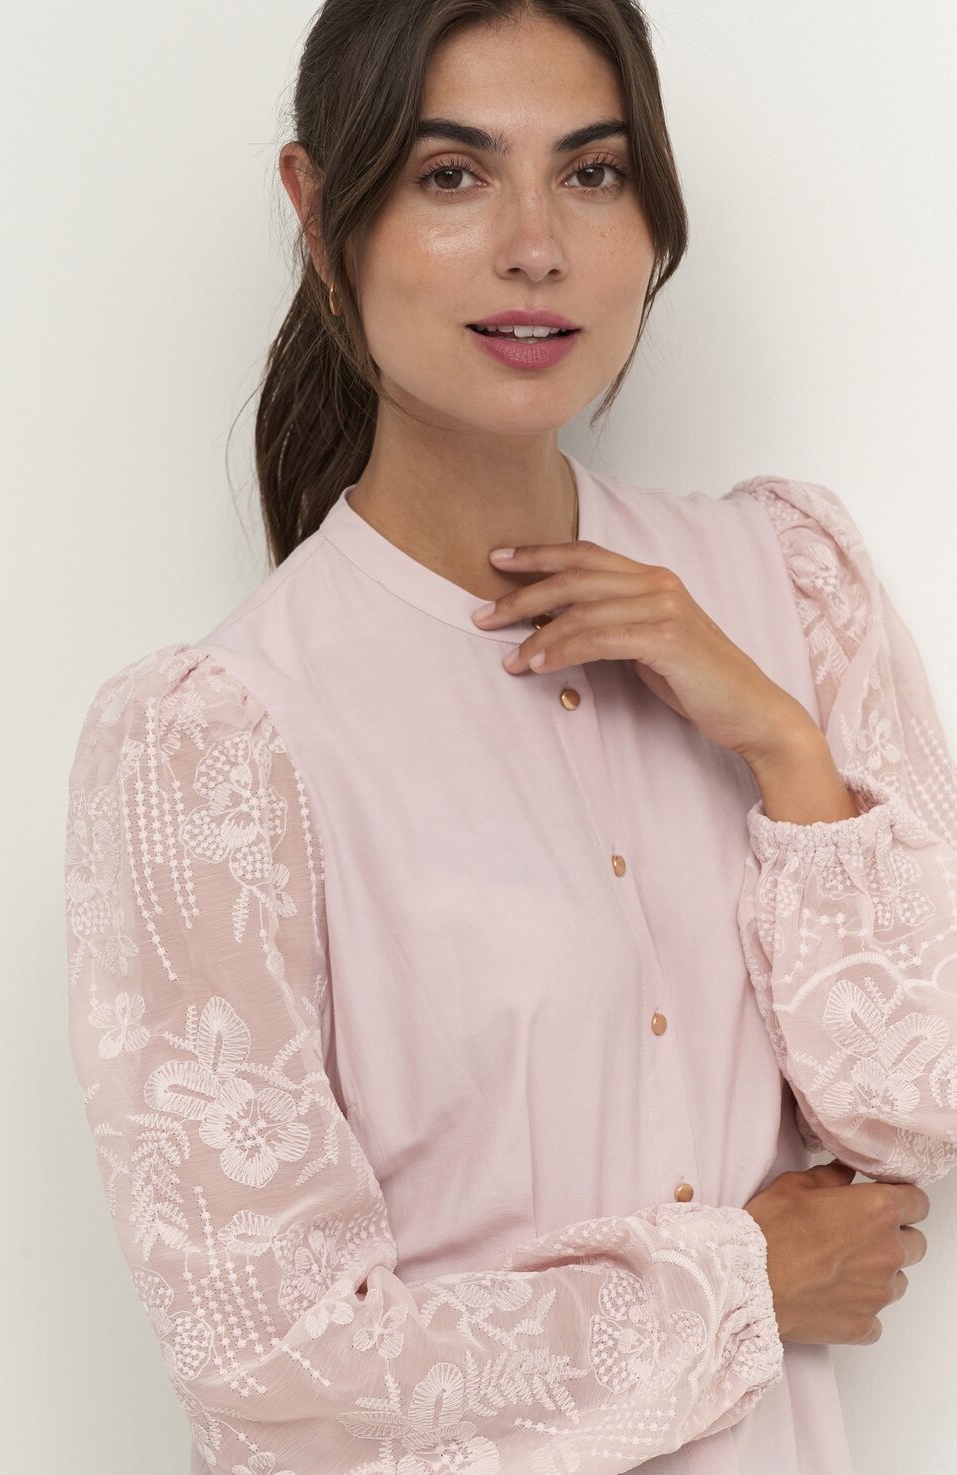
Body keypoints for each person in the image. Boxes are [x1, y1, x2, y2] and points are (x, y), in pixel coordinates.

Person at [63, 3, 956, 1471]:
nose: (536, 246)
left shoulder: (786, 586)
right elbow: (281, 1386)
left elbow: (918, 1111)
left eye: (593, 173)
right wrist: (742, 1284)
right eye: (453, 175)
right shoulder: (215, 746)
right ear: (319, 213)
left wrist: (781, 746)